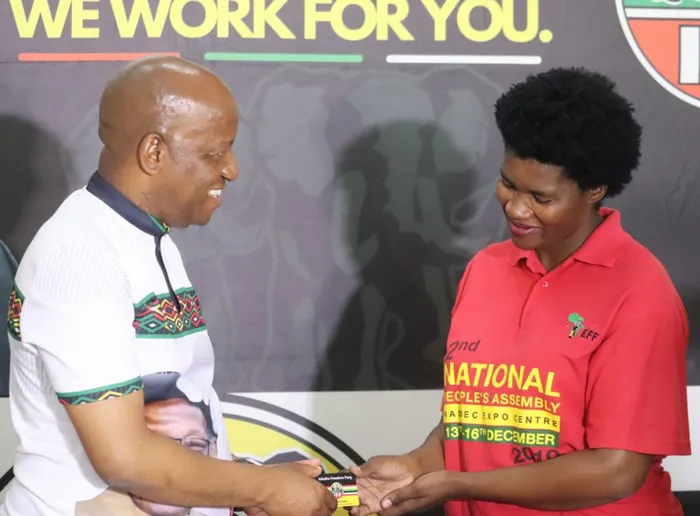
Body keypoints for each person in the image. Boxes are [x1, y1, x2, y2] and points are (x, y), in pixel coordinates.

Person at [1, 56, 337, 516]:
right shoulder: (81, 257)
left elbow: (168, 421)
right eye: (215, 153)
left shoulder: (142, 238)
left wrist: (252, 478)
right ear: (154, 153)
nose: (232, 170)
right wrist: (262, 489)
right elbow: (125, 458)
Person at [350, 67, 691, 516]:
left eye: (540, 197)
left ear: (595, 189)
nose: (515, 207)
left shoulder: (640, 292)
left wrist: (460, 484)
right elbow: (475, 423)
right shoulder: (486, 269)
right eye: (508, 184)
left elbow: (616, 470)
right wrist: (416, 464)